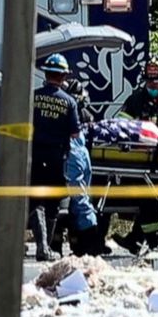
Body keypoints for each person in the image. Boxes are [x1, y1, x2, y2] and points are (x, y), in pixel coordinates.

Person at [112, 59, 158, 254]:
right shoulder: (136, 100)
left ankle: (139, 240)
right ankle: (152, 241)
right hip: (141, 162)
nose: (152, 87)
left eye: (156, 84)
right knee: (148, 202)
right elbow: (121, 126)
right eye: (149, 83)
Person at [30, 53, 80, 261]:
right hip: (56, 157)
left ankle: (42, 245)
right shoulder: (69, 102)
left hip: (33, 154)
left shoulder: (32, 96)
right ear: (62, 77)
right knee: (52, 204)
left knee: (34, 200)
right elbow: (75, 133)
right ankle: (46, 248)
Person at [61, 79, 109, 256]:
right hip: (83, 157)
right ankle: (83, 244)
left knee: (78, 202)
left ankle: (90, 244)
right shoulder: (86, 114)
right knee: (81, 201)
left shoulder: (70, 113)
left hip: (74, 156)